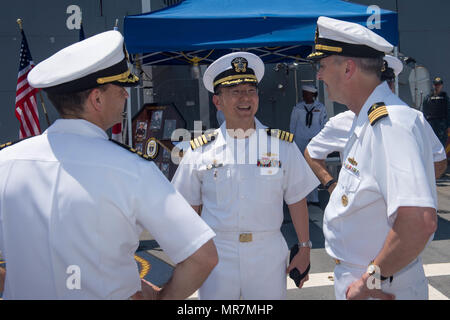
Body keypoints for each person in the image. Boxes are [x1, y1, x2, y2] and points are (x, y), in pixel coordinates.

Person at [0, 30, 218, 299]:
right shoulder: (132, 169)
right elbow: (203, 257)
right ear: (97, 98)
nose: (126, 96)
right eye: (121, 88)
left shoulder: (5, 163)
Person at [307, 16, 438, 300]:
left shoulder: (389, 125)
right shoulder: (366, 119)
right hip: (368, 279)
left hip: (379, 285)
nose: (318, 75)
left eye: (322, 65)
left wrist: (368, 282)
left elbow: (419, 221)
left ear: (348, 68)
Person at [171, 52, 319, 299]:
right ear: (218, 101)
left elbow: (296, 199)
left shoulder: (281, 145)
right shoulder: (200, 150)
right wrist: (186, 253)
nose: (245, 98)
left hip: (267, 253)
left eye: (251, 91)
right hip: (217, 255)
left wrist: (304, 247)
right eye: (235, 92)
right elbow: (190, 208)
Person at [305, 55, 447, 196]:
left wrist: (414, 188)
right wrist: (332, 186)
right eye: (380, 82)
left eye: (387, 82)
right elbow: (311, 153)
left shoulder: (413, 119)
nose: (384, 87)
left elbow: (439, 160)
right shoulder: (342, 122)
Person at [289, 85, 327, 205]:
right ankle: (303, 197)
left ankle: (314, 198)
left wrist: (319, 140)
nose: (304, 95)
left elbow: (323, 124)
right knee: (301, 169)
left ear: (313, 94)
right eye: (304, 93)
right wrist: (292, 142)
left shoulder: (320, 108)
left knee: (314, 168)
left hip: (314, 141)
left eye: (306, 93)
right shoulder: (298, 107)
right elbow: (293, 125)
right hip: (300, 141)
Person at [422, 76, 450, 149]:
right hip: (431, 124)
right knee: (431, 146)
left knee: (441, 147)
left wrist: (448, 126)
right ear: (433, 85)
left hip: (442, 126)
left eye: (439, 85)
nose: (437, 86)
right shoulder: (427, 98)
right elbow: (424, 113)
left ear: (442, 86)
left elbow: (448, 112)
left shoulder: (445, 98)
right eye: (436, 84)